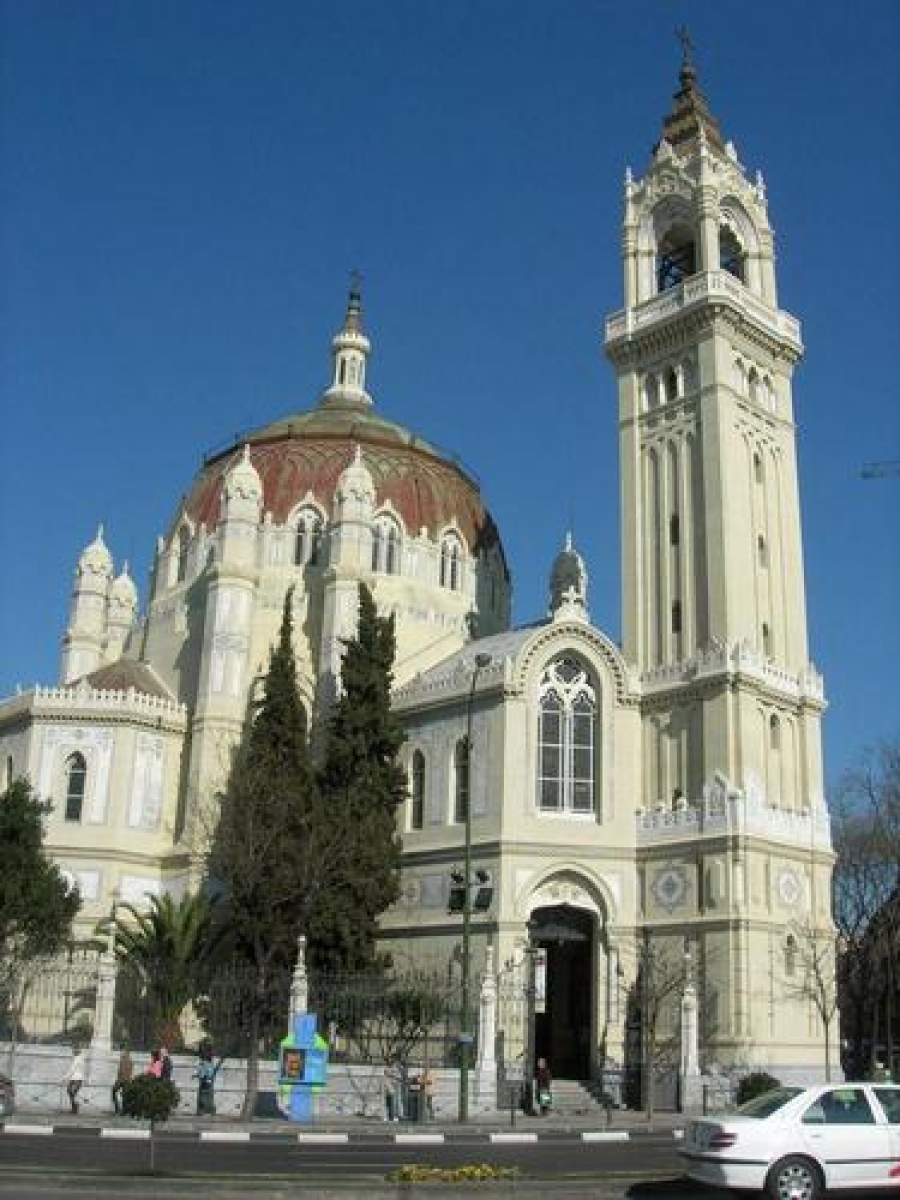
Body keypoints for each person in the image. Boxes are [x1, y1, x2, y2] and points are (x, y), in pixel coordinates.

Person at [194, 1043, 221, 1116]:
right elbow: (204, 1071)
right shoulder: (206, 1062)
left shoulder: (206, 1062)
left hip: (205, 1080)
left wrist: (202, 1076)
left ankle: (205, 1111)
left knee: (204, 1096)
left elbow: (206, 1072)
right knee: (205, 1096)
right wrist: (197, 1075)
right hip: (205, 1080)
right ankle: (203, 1111)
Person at [64, 1046, 85, 1115]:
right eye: (73, 1050)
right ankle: (74, 1108)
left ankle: (75, 1106)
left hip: (75, 1079)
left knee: (70, 1091)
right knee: (72, 1092)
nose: (73, 1051)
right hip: (78, 1079)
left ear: (77, 1051)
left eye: (74, 1050)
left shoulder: (77, 1059)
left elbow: (72, 1070)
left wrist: (65, 1078)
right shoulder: (81, 1059)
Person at [111, 1048, 133, 1115]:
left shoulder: (123, 1060)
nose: (121, 1053)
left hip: (122, 1080)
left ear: (126, 1054)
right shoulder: (131, 1061)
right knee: (124, 1095)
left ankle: (117, 1108)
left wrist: (118, 1081)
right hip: (128, 1080)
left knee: (114, 1091)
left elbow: (121, 1072)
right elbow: (130, 1072)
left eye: (123, 1053)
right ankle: (124, 1110)